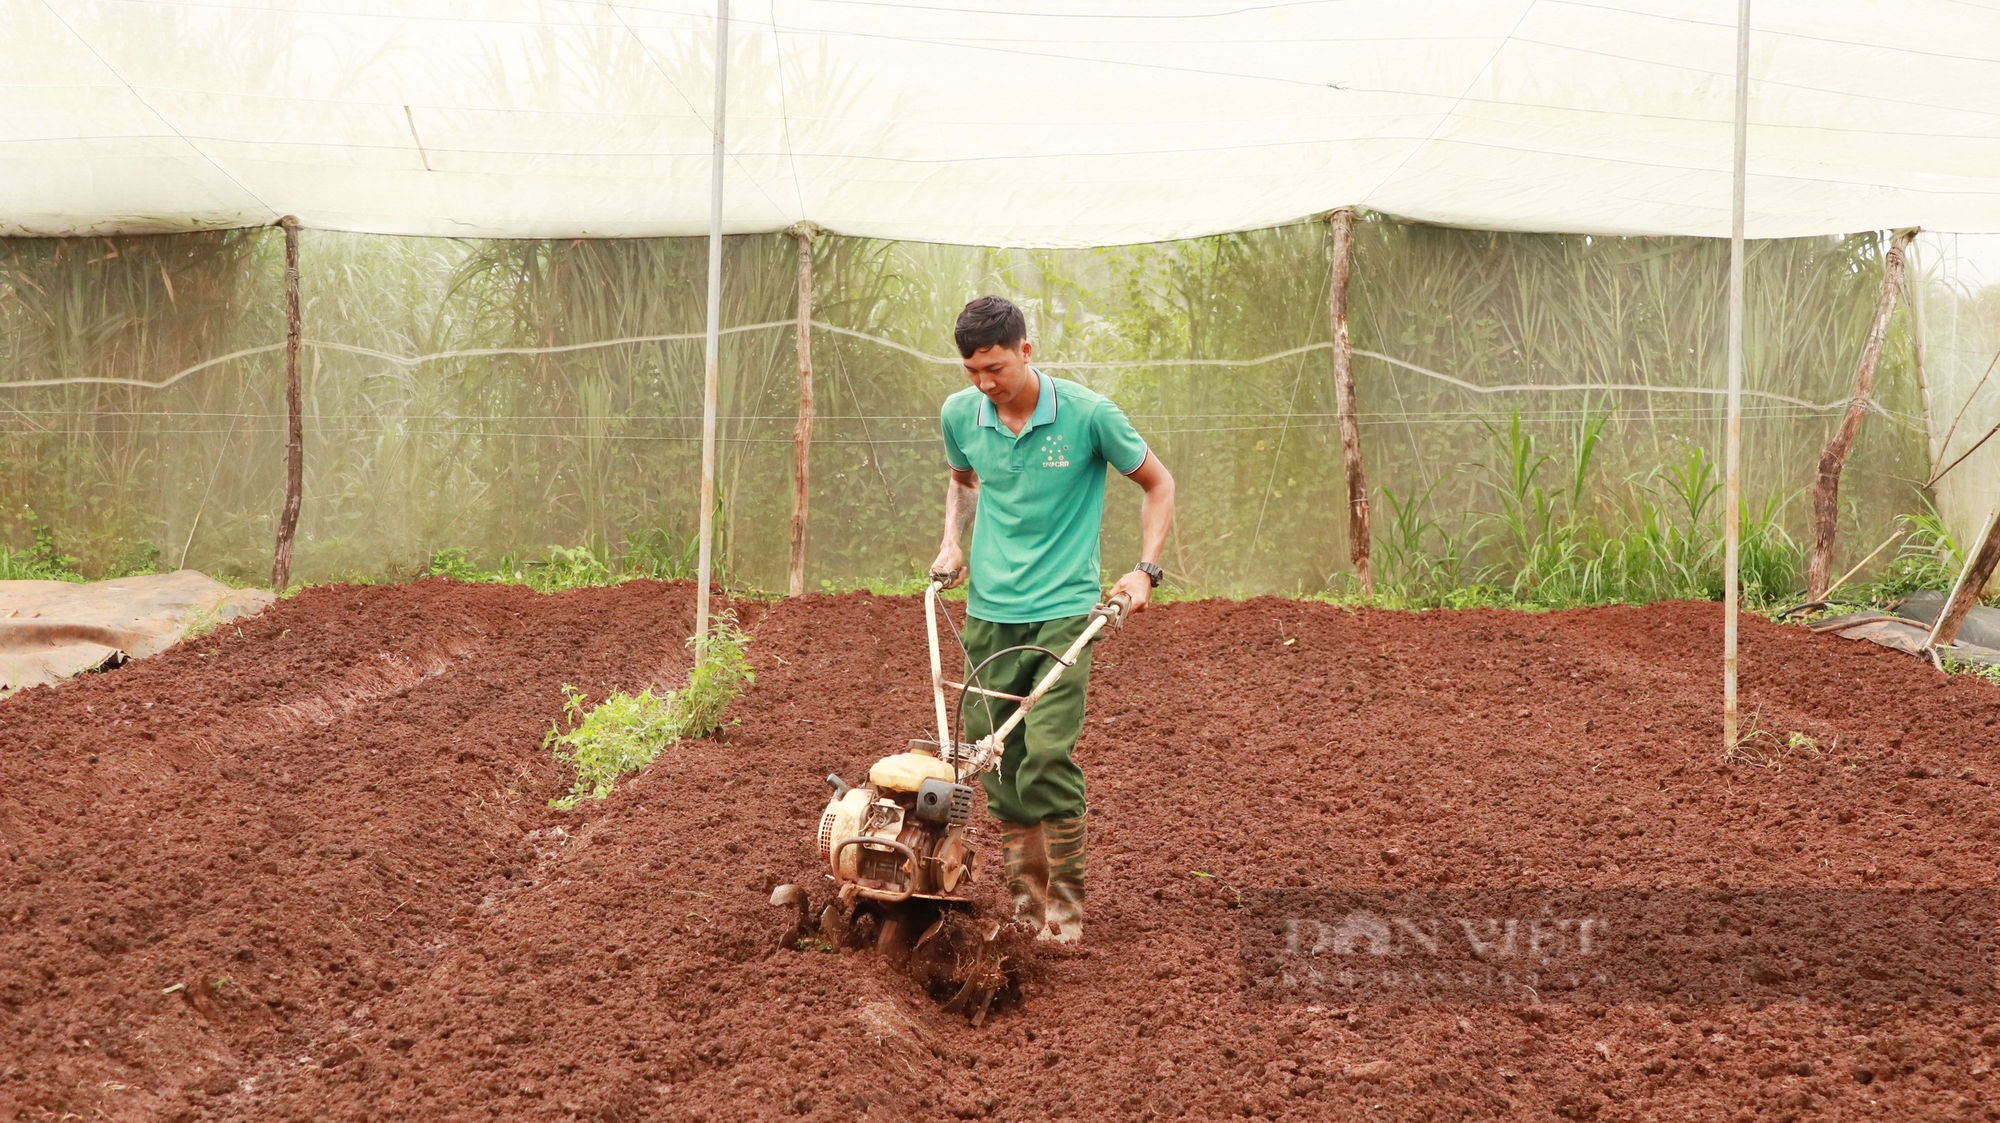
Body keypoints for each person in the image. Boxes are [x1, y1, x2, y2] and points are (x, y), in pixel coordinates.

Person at [928, 295, 1175, 944]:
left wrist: (1144, 570)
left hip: (1066, 612)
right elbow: (964, 480)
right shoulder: (961, 414)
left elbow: (1159, 482)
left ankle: (1063, 911)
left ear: (1026, 351)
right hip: (988, 613)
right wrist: (953, 541)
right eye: (972, 370)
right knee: (995, 760)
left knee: (1044, 753)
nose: (985, 383)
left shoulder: (1089, 415)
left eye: (996, 367)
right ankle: (1025, 907)